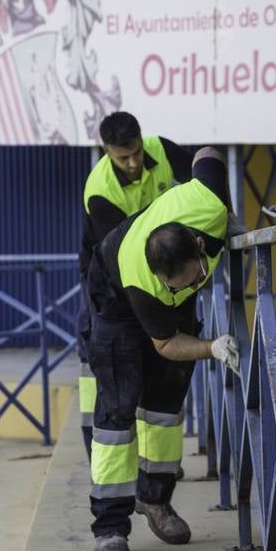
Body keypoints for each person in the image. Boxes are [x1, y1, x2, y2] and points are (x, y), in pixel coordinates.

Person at [86, 146, 240, 551]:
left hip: (167, 280)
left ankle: (155, 500)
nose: (189, 286)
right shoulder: (147, 284)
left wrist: (229, 214)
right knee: (118, 412)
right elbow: (167, 344)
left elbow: (207, 153)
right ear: (162, 279)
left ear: (197, 245)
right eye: (176, 286)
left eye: (197, 278)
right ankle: (111, 526)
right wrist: (210, 347)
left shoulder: (207, 204)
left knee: (166, 406)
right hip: (115, 301)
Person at [77, 111, 194, 459]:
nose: (132, 163)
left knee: (154, 364)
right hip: (108, 280)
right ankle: (98, 450)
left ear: (143, 141)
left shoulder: (164, 150)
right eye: (122, 157)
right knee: (109, 364)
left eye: (137, 153)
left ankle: (154, 465)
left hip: (153, 265)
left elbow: (198, 188)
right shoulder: (99, 192)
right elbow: (124, 257)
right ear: (107, 151)